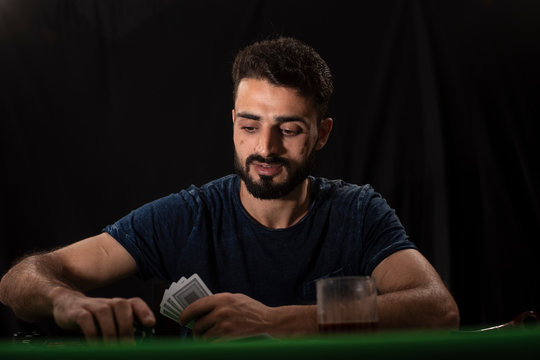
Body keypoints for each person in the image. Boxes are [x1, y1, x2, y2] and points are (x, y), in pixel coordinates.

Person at [0, 36, 459, 342]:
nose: (265, 147)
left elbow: (438, 310)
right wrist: (67, 302)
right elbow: (20, 280)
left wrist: (273, 321)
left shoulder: (358, 212)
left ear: (322, 134)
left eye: (290, 129)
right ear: (233, 124)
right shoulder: (188, 215)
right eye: (250, 125)